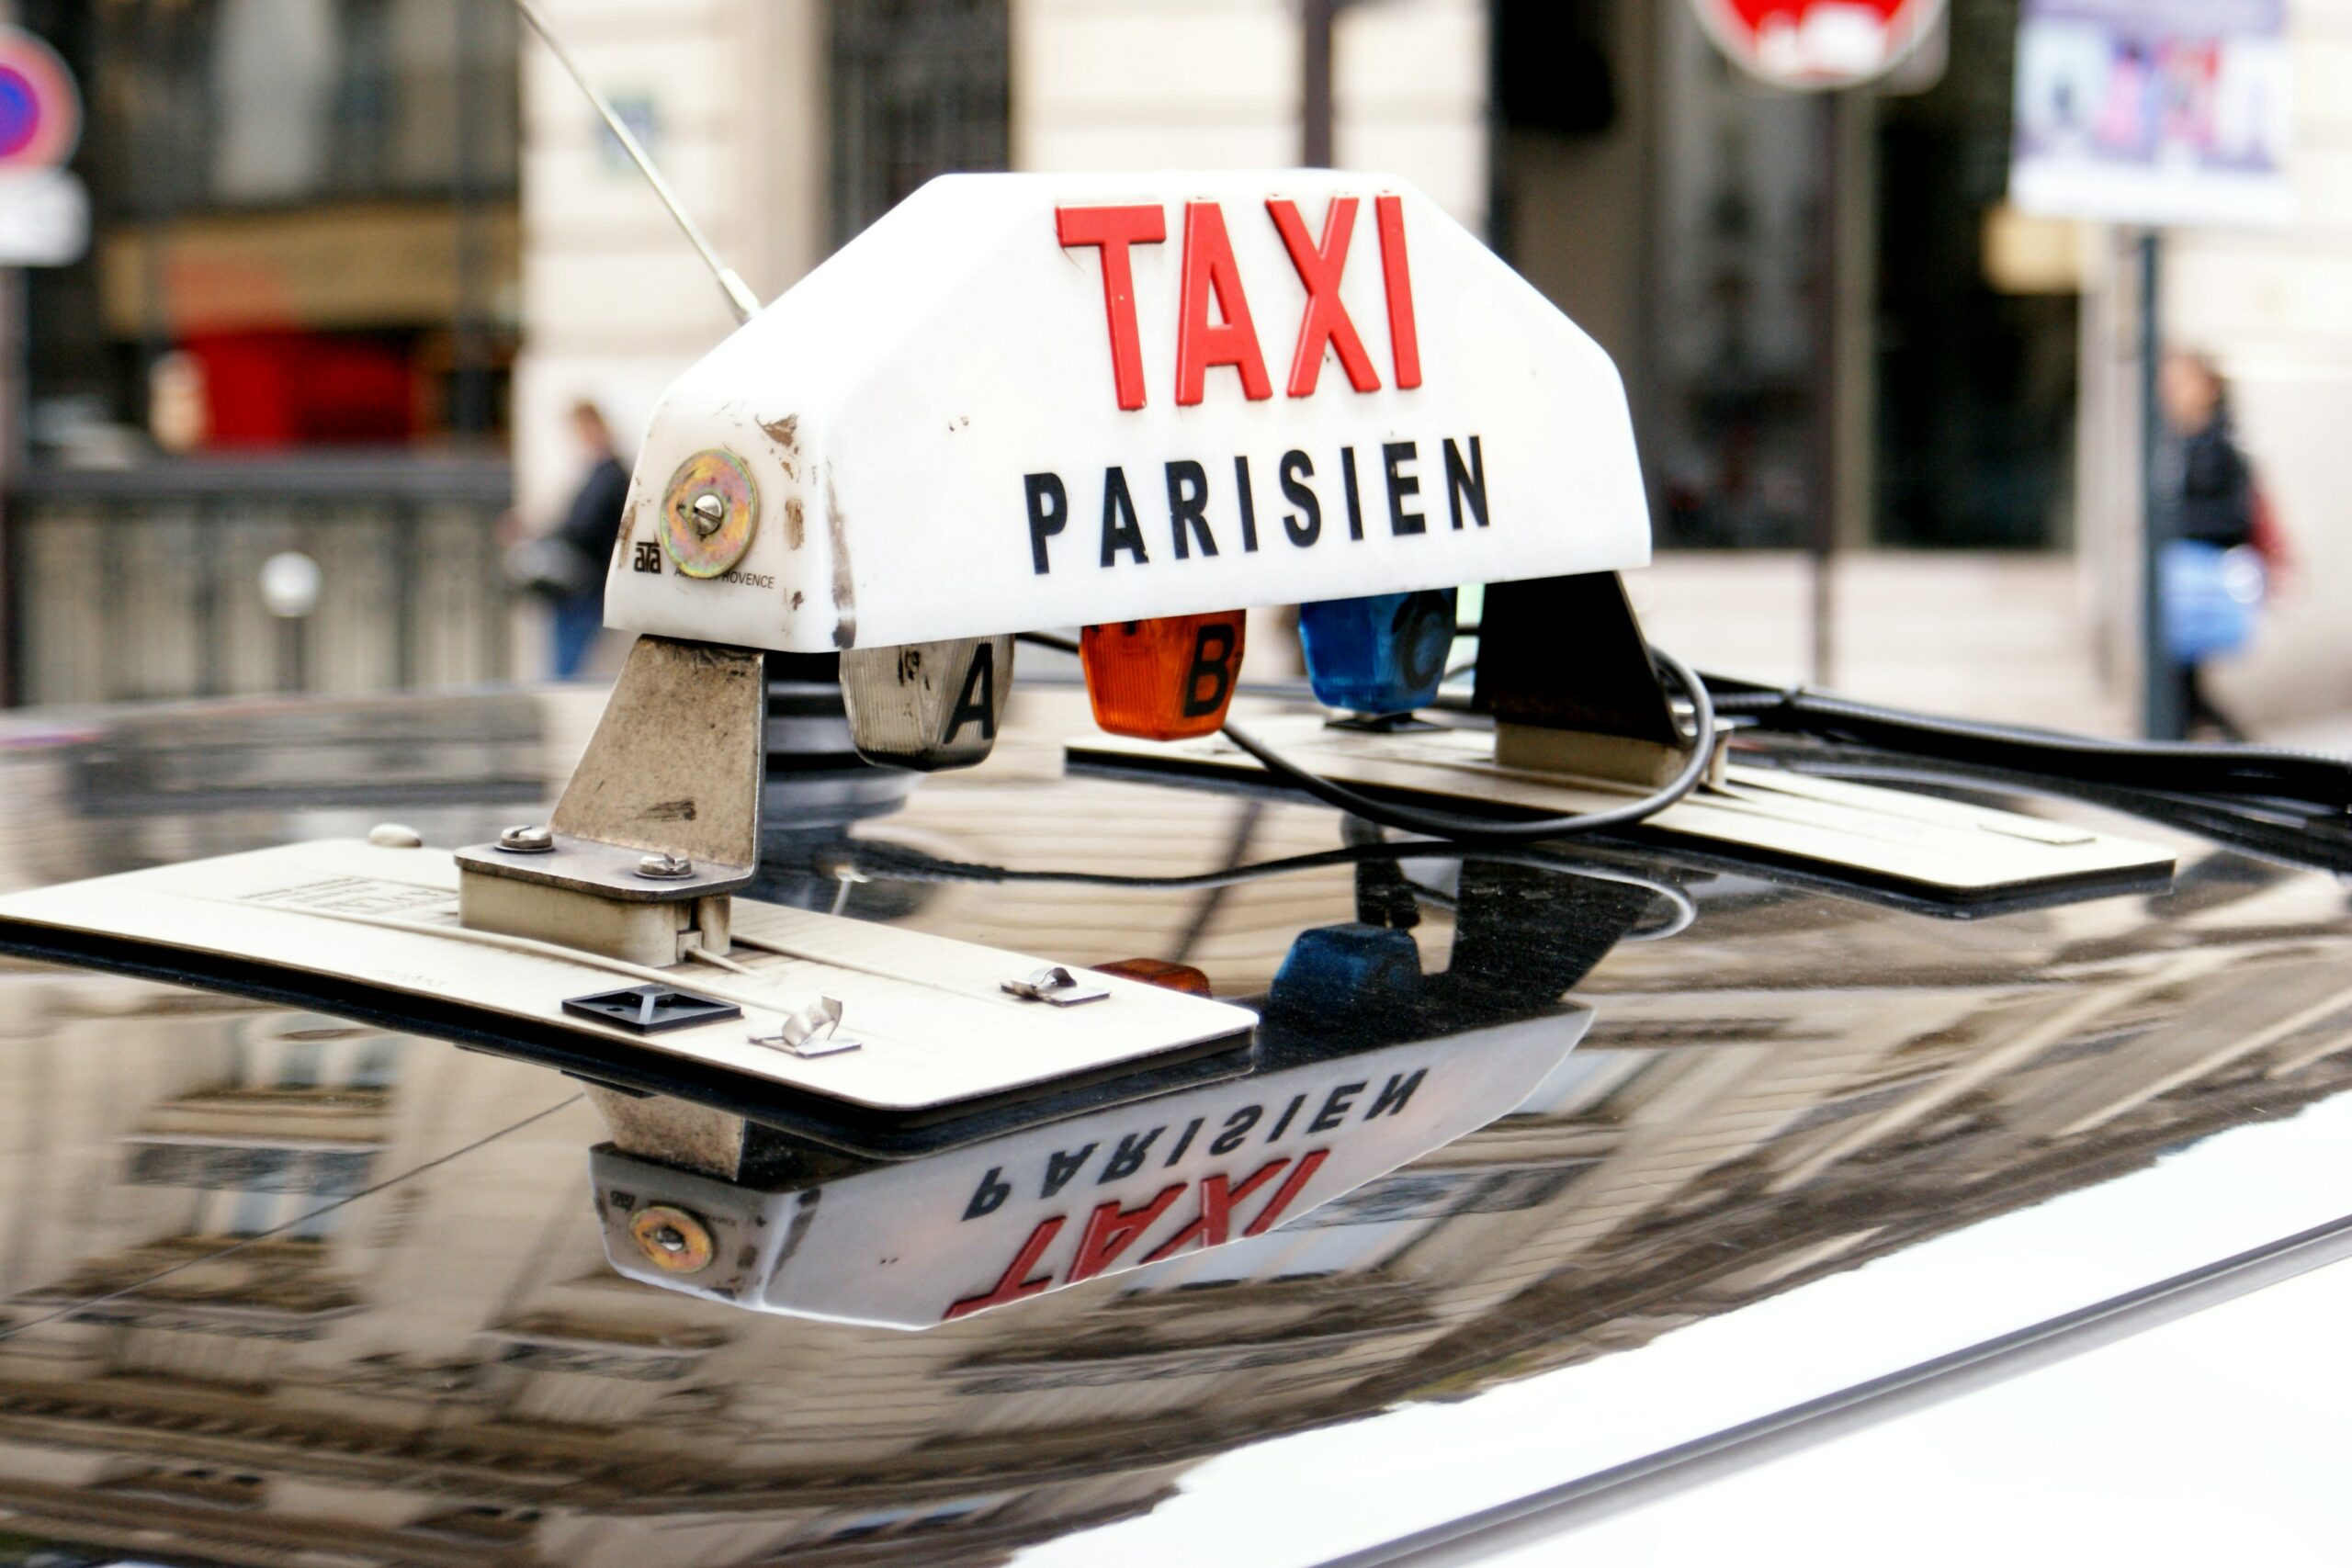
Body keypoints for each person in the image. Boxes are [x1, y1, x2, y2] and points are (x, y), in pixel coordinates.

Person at [2154, 351, 2259, 739]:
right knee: (2182, 684)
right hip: (2179, 577)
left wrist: (2173, 525)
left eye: (2182, 382)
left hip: (2201, 578)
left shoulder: (2222, 446)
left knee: (2181, 683)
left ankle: (2241, 752)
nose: (2171, 392)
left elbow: (2236, 518)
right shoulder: (2173, 442)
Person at [513, 401, 630, 680]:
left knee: (564, 670)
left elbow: (582, 527)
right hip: (584, 585)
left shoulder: (609, 476)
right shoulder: (601, 473)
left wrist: (536, 535)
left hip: (585, 586)